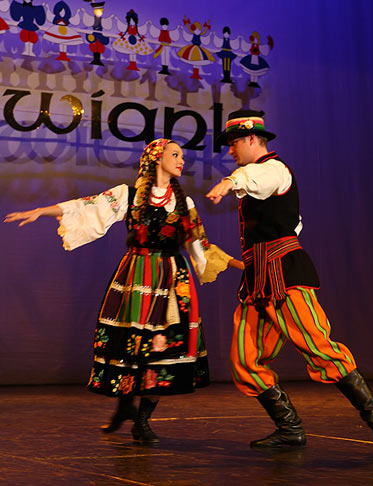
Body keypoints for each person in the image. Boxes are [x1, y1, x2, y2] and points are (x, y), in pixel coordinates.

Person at [5, 138, 243, 444]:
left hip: (171, 281)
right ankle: (125, 406)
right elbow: (87, 206)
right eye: (175, 154)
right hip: (136, 277)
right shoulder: (129, 195)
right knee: (130, 346)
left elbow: (201, 248)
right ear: (156, 158)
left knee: (162, 349)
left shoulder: (185, 203)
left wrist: (241, 265)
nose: (181, 160)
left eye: (182, 156)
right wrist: (41, 211)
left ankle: (141, 419)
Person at [206, 110, 373, 454]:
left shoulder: (274, 169)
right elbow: (284, 226)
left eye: (233, 143)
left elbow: (257, 179)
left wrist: (229, 182)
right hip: (257, 280)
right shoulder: (259, 177)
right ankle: (290, 429)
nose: (230, 150)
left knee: (318, 347)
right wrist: (231, 261)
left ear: (251, 139)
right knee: (245, 359)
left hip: (285, 277)